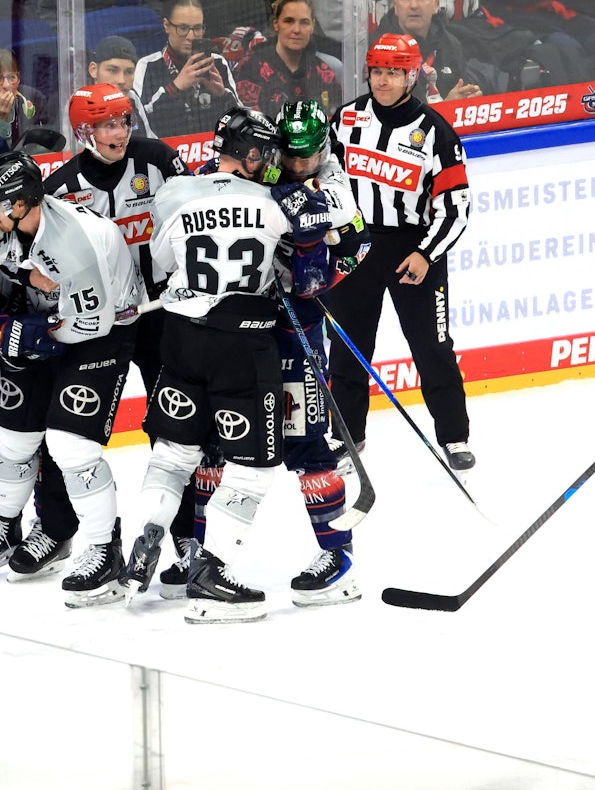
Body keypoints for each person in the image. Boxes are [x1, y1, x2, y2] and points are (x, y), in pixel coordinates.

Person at [127, 106, 333, 623]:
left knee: (176, 451)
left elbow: (163, 263)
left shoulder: (175, 191)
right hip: (242, 344)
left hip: (179, 337)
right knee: (256, 466)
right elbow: (308, 268)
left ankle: (147, 542)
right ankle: (211, 573)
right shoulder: (276, 199)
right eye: (265, 152)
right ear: (253, 154)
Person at [0, 151, 146, 607]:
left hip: (102, 333)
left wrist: (30, 331)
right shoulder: (14, 220)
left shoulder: (74, 245)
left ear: (22, 203)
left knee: (70, 445)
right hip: (50, 324)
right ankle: (5, 527)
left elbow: (93, 324)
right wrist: (27, 282)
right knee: (12, 436)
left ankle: (105, 549)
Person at [43, 82, 194, 591]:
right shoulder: (60, 188)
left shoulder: (159, 161)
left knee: (173, 432)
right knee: (73, 433)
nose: (118, 133)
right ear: (83, 132)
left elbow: (197, 222)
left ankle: (186, 546)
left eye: (123, 121)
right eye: (106, 125)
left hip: (160, 317)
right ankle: (88, 541)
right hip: (97, 327)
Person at [328, 33, 475, 472]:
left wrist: (427, 254)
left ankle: (454, 436)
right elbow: (326, 179)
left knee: (432, 347)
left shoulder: (436, 132)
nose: (383, 80)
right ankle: (348, 438)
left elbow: (456, 208)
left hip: (413, 250)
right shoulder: (347, 118)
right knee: (348, 348)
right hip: (356, 245)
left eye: (393, 72)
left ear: (411, 75)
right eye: (377, 70)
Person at [273, 99, 371, 606]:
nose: (297, 164)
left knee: (307, 440)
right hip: (249, 322)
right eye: (291, 155)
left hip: (302, 324)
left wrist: (322, 280)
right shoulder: (264, 163)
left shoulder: (335, 185)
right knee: (219, 440)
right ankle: (200, 554)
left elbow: (359, 245)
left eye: (307, 155)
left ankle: (338, 557)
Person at [132, 0, 239, 139]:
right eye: (183, 28)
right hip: (166, 155)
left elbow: (241, 119)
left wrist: (223, 95)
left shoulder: (217, 63)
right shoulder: (147, 65)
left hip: (211, 153)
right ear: (166, 26)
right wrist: (174, 88)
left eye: (197, 28)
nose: (191, 36)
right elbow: (140, 123)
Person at [231, 0, 342, 120]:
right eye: (289, 21)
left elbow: (335, 121)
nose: (296, 30)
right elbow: (247, 124)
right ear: (275, 23)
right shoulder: (251, 69)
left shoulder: (324, 72)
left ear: (313, 26)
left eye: (304, 22)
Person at [374, 0, 481, 103]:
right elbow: (391, 116)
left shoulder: (451, 44)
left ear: (435, 5)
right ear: (395, 6)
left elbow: (462, 91)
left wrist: (470, 99)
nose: (414, 5)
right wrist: (445, 107)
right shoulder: (378, 49)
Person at [87, 35, 155, 137]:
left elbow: (149, 143)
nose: (122, 80)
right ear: (94, 70)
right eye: (112, 70)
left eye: (129, 72)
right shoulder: (77, 105)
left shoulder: (132, 98)